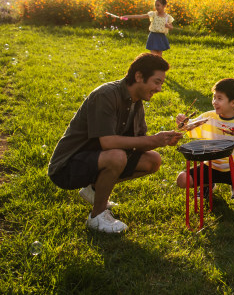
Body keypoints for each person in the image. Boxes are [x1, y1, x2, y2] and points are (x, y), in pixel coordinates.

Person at [48, 53, 183, 233]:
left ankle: (94, 189)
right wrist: (152, 139)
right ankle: (97, 216)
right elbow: (107, 142)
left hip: (96, 158)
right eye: (156, 82)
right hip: (67, 167)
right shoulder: (106, 95)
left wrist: (162, 141)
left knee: (152, 160)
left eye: (161, 84)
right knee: (117, 156)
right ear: (138, 76)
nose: (159, 89)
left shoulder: (137, 103)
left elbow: (137, 143)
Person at [175, 78, 234, 199]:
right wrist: (182, 122)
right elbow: (187, 127)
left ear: (233, 103)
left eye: (219, 98)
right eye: (214, 97)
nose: (214, 102)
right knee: (182, 180)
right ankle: (207, 184)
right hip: (210, 165)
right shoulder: (208, 117)